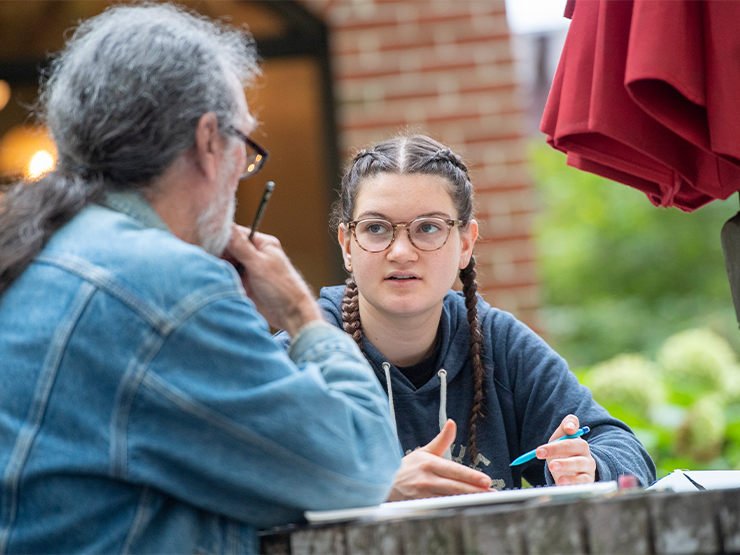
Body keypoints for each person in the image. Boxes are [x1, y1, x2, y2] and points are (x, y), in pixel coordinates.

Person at [0, 4, 401, 554]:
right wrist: (301, 315)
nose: (243, 167)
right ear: (210, 140)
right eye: (246, 145)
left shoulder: (37, 248)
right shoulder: (163, 284)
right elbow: (358, 469)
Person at [275, 134, 656, 501]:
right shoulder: (299, 353)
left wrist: (590, 465)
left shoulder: (499, 344)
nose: (402, 252)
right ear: (347, 245)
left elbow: (626, 454)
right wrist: (376, 489)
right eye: (376, 228)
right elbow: (239, 477)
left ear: (466, 244)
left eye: (428, 228)